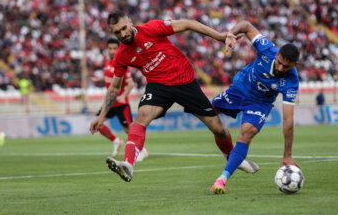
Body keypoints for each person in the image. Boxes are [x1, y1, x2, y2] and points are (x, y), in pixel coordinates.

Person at [90, 11, 259, 182]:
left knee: (219, 129)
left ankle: (232, 158)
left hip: (184, 81)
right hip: (158, 86)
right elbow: (114, 88)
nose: (123, 34)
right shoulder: (121, 55)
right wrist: (101, 115)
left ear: (130, 22)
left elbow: (189, 24)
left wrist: (220, 36)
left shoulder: (152, 28)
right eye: (117, 32)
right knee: (141, 118)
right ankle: (128, 165)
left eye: (124, 28)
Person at [210, 20, 300, 194]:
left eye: (286, 66)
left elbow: (288, 120)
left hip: (260, 103)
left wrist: (287, 154)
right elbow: (245, 25)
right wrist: (231, 35)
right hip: (239, 88)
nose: (281, 68)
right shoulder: (267, 48)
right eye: (279, 62)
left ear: (295, 65)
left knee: (246, 133)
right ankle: (232, 156)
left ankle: (221, 180)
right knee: (205, 112)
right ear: (277, 54)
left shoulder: (291, 82)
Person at [93, 38, 148, 161]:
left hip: (122, 104)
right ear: (107, 50)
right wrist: (99, 80)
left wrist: (123, 96)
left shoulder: (122, 64)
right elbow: (110, 78)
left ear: (118, 49)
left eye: (114, 48)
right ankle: (116, 141)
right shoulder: (107, 63)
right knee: (98, 123)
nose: (112, 51)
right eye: (110, 48)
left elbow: (130, 84)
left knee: (128, 130)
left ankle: (142, 150)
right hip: (110, 103)